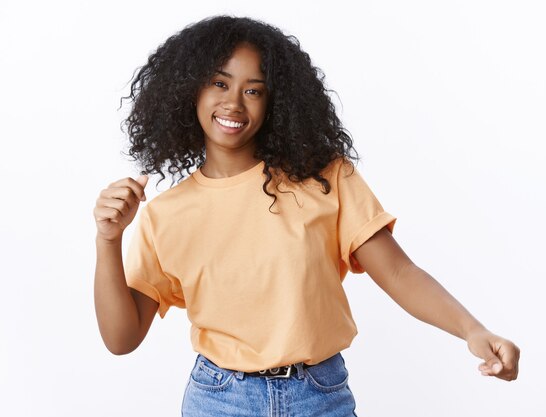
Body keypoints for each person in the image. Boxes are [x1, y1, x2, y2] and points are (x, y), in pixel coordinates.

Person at [93, 15, 520, 416]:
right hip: (219, 401)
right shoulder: (166, 214)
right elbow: (121, 339)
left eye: (253, 89)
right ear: (189, 89)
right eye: (219, 83)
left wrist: (472, 330)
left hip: (319, 397)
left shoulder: (325, 178)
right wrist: (108, 240)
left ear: (275, 100)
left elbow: (399, 274)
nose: (234, 103)